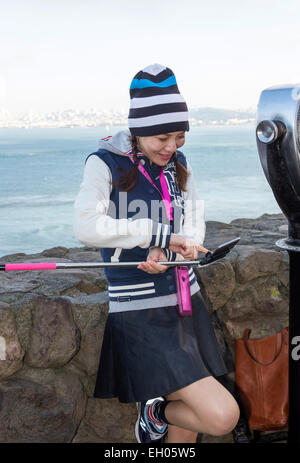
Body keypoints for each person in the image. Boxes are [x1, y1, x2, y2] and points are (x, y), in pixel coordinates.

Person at [73, 63, 240, 444]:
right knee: (222, 416)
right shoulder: (104, 163)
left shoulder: (179, 164)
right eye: (162, 137)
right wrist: (148, 236)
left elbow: (193, 223)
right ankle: (155, 412)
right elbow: (85, 226)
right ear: (138, 130)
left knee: (188, 430)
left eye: (179, 137)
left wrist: (174, 250)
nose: (171, 147)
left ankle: (159, 415)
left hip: (185, 302)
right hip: (140, 312)